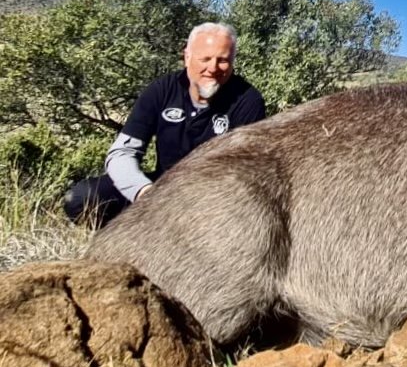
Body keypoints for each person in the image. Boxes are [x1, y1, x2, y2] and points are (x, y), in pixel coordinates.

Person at [63, 22, 266, 227]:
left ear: (232, 62)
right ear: (187, 57)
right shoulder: (162, 89)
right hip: (158, 189)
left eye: (222, 60)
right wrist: (144, 192)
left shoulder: (247, 100)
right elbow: (121, 153)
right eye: (204, 59)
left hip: (211, 200)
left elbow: (242, 174)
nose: (212, 68)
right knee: (81, 199)